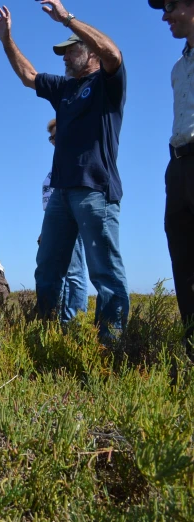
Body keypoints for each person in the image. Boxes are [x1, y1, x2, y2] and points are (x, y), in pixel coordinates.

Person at [0, 1, 129, 339]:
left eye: (69, 51)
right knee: (48, 270)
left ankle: (110, 346)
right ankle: (49, 336)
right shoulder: (65, 89)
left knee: (104, 273)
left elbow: (113, 54)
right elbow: (28, 76)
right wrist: (6, 39)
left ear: (89, 51)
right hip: (61, 195)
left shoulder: (107, 85)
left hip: (95, 190)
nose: (63, 58)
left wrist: (66, 19)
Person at [149, 0, 194, 358]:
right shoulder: (179, 67)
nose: (165, 16)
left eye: (172, 6)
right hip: (178, 167)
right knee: (184, 262)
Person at [42, 118, 88, 321]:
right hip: (54, 225)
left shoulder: (77, 161)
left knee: (74, 271)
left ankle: (74, 322)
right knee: (53, 270)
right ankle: (55, 320)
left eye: (56, 136)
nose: (54, 141)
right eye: (51, 138)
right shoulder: (56, 168)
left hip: (72, 222)